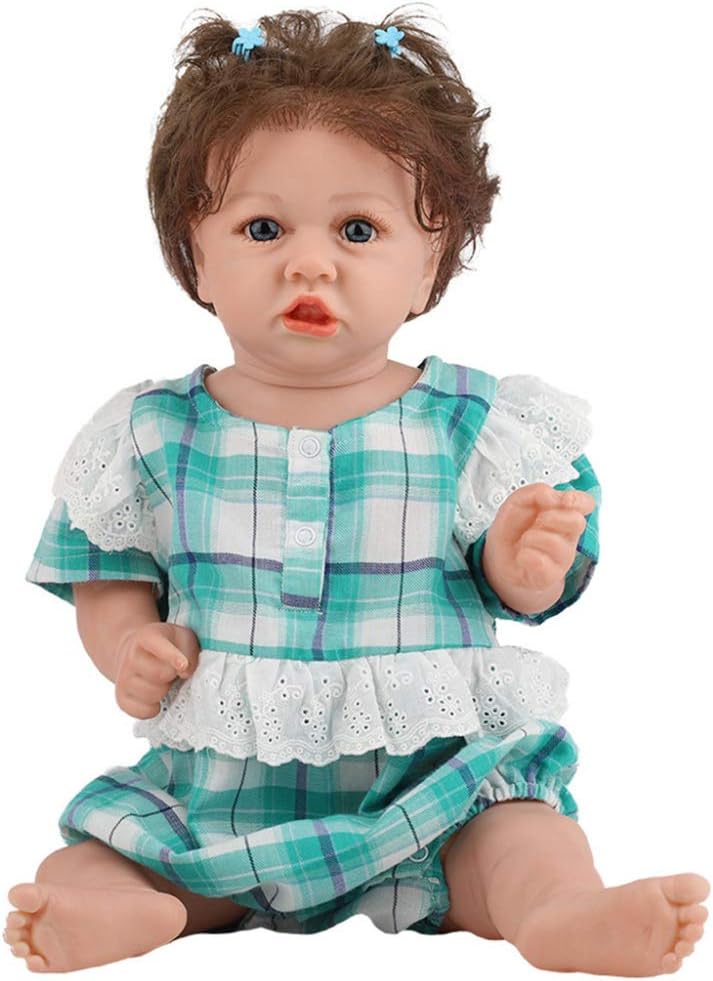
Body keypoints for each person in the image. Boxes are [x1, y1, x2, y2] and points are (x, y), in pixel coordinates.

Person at [4, 6, 709, 975]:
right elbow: (109, 576)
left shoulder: (473, 426)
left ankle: (557, 912)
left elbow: (531, 589)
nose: (309, 261)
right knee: (97, 853)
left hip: (433, 793)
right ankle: (130, 910)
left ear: (429, 265)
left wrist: (518, 562)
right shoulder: (152, 432)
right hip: (214, 797)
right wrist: (128, 644)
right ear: (194, 255)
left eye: (357, 228)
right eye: (261, 227)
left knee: (521, 836)